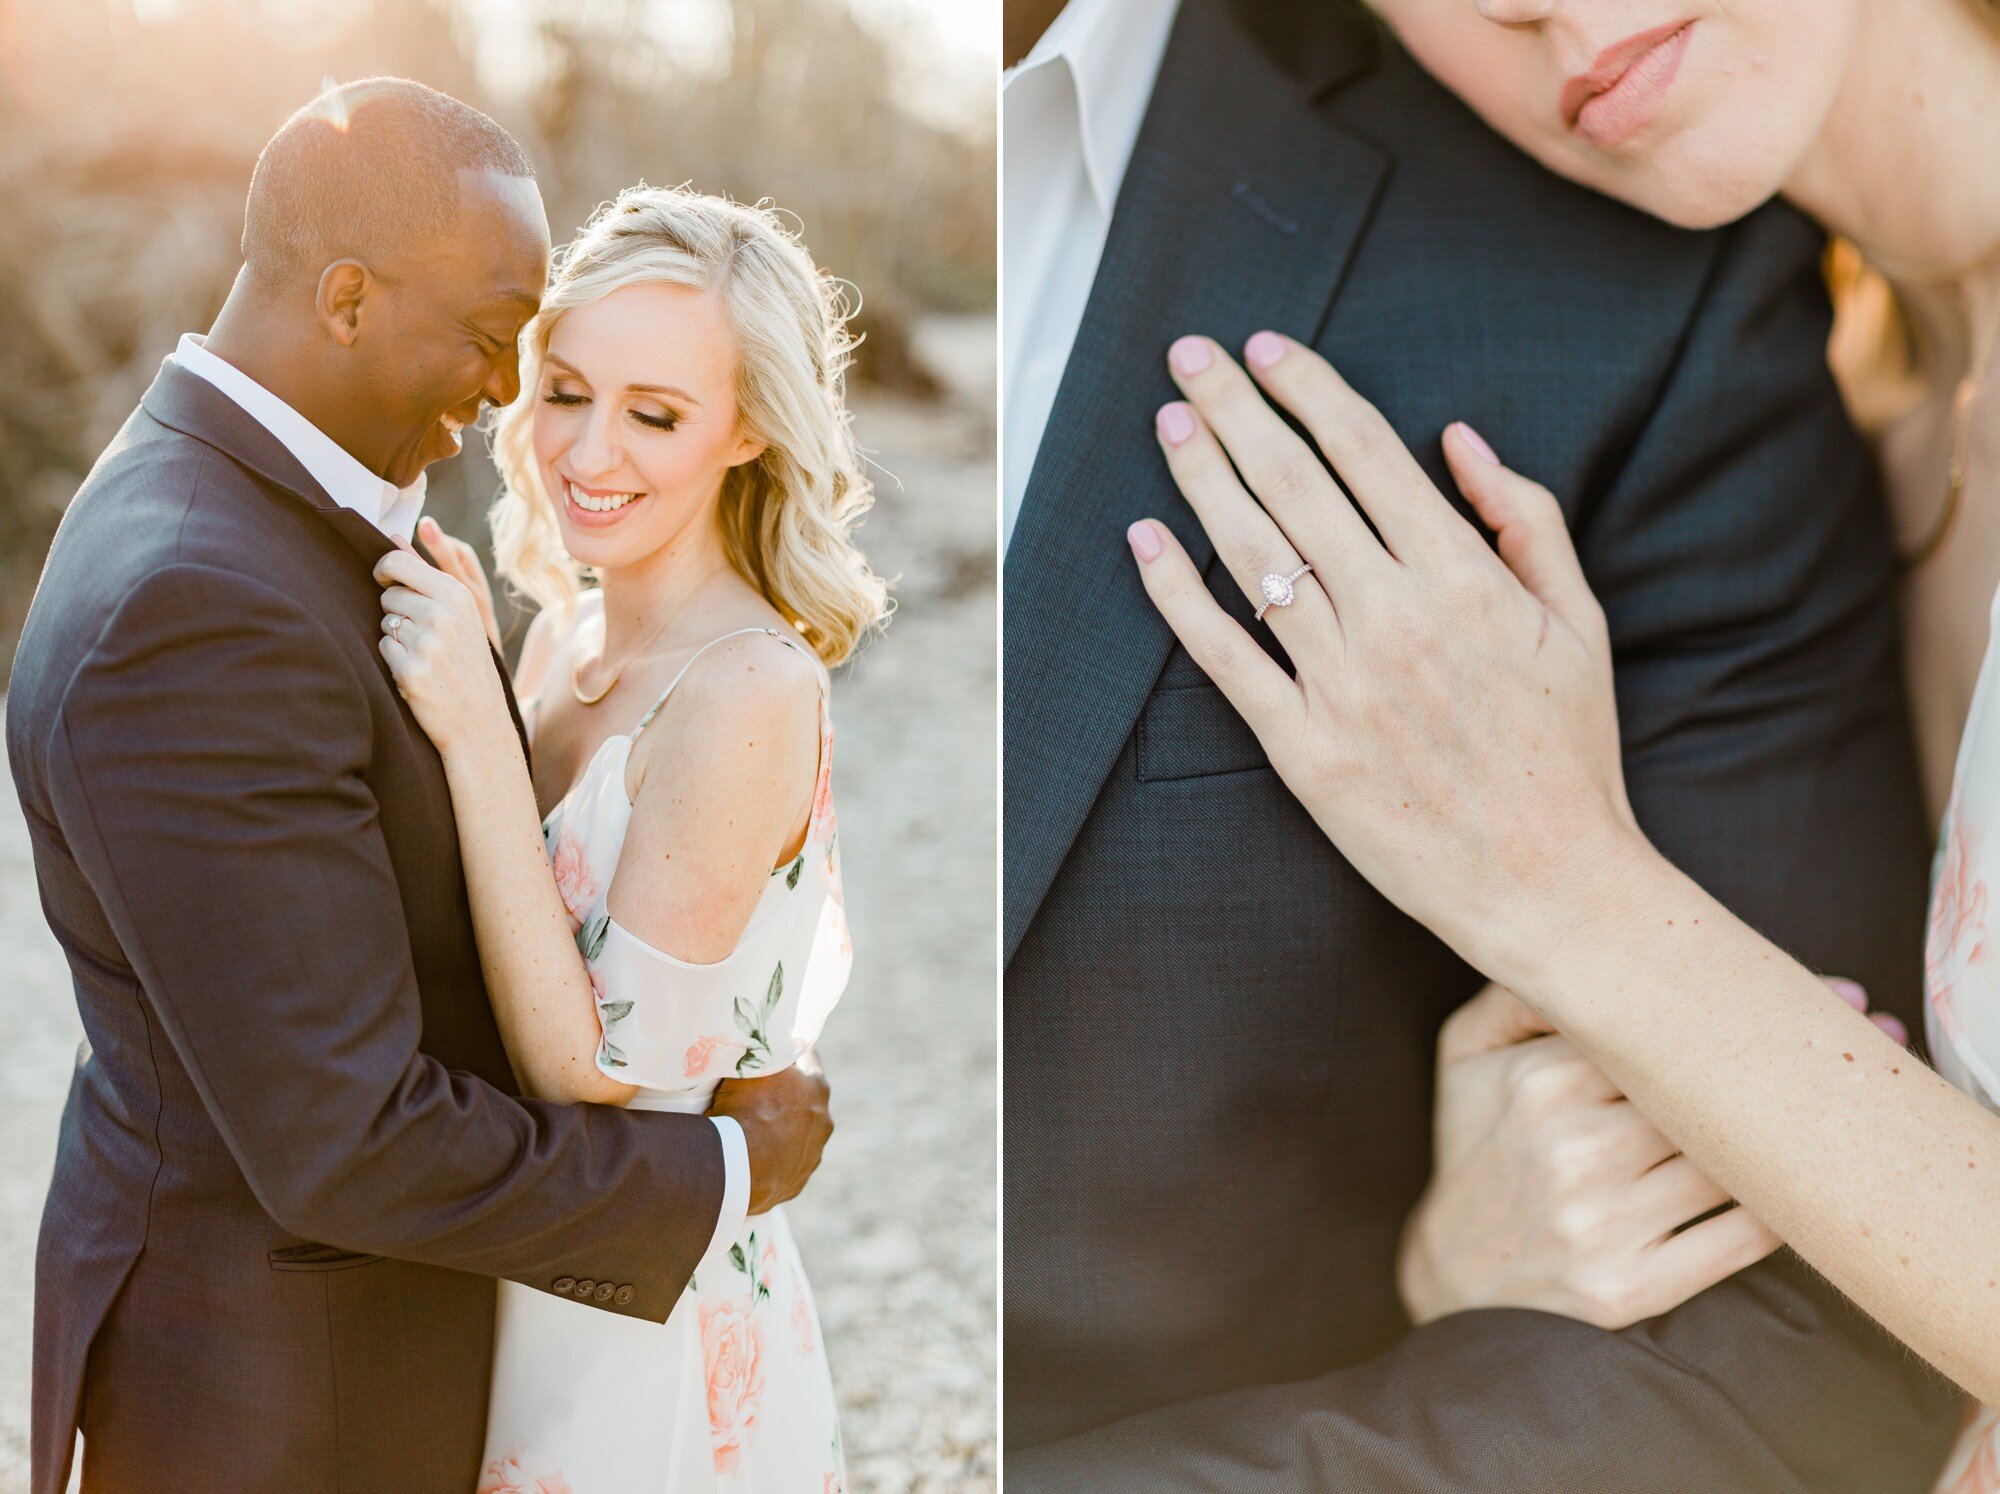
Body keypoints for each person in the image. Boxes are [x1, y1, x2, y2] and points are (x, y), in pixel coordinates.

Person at [1001, 0, 1959, 1488]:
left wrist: (1565, 881)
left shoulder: (1691, 338)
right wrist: (1443, 1291)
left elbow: (1817, 1333)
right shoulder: (1888, 383)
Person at [2, 80, 830, 1493]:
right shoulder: (201, 596)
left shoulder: (260, 514)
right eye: (513, 352)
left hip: (473, 1333)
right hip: (283, 1392)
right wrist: (729, 1171)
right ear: (345, 301)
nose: (518, 402)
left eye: (651, 408)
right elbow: (348, 1138)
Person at [374, 183, 880, 1493]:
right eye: (566, 391)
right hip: (506, 1267)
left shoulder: (747, 689)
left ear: (748, 429)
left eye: (654, 414)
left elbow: (595, 1064)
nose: (589, 452)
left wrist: (478, 735)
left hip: (643, 1326)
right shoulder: (562, 642)